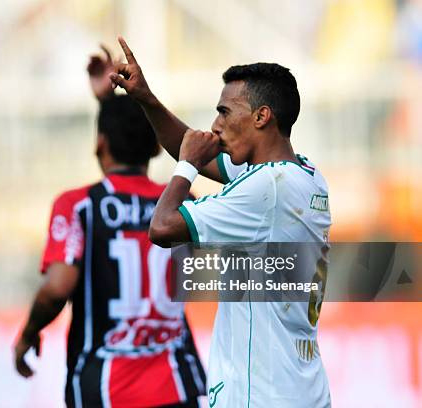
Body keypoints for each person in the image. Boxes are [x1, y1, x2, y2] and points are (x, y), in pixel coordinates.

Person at [110, 37, 332, 407]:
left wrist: (187, 167)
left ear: (262, 116)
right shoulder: (304, 175)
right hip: (302, 389)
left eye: (225, 112)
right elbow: (190, 143)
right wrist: (146, 99)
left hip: (260, 397)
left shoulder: (264, 190)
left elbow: (162, 227)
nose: (215, 126)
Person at [13, 47, 206, 408]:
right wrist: (111, 103)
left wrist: (28, 333)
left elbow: (57, 288)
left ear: (100, 144)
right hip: (177, 384)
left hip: (105, 390)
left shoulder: (79, 206)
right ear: (153, 148)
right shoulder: (183, 201)